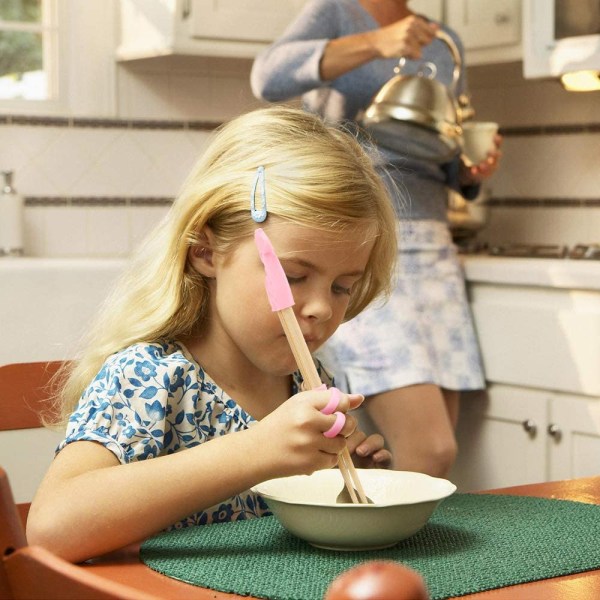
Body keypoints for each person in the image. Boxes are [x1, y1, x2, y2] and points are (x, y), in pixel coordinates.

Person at [26, 106, 397, 563]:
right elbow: (52, 527)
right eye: (296, 277)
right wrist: (257, 450)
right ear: (205, 252)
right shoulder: (151, 377)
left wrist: (339, 475)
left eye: (343, 286)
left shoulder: (306, 382)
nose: (323, 307)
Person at [250, 0, 502, 477]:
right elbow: (266, 77)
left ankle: (374, 547)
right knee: (429, 449)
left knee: (428, 453)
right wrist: (374, 44)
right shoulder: (337, 12)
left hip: (433, 248)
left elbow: (440, 151)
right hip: (358, 244)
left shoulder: (445, 41)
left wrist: (470, 172)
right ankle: (376, 548)